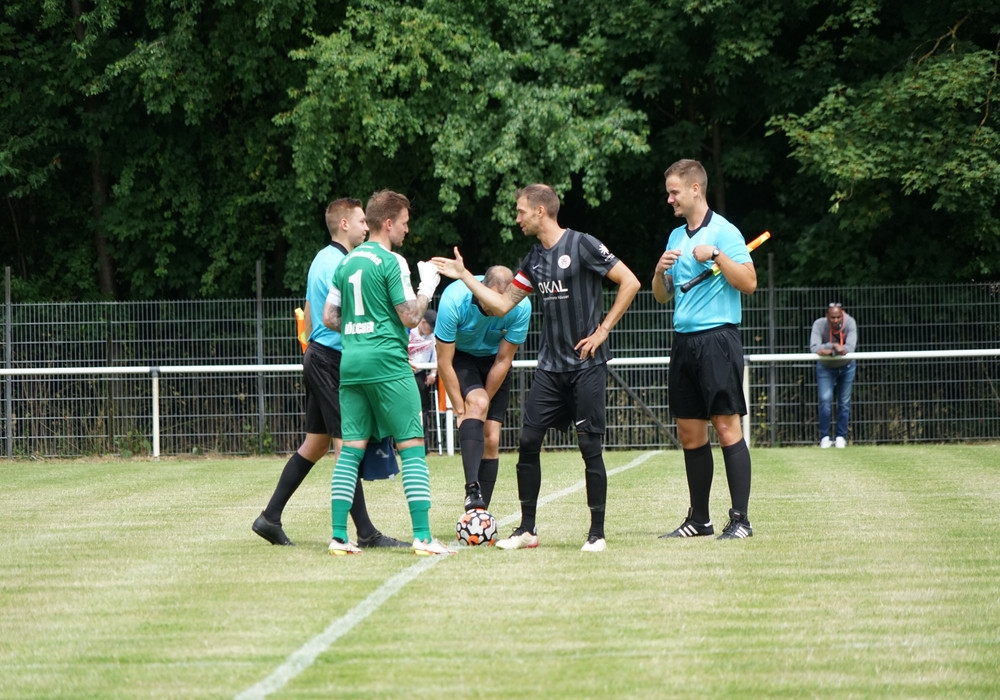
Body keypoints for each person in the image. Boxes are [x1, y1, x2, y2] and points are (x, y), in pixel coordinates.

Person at [433, 183, 640, 552]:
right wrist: (465, 276)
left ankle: (596, 533)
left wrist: (602, 331)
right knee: (528, 442)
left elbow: (630, 281)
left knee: (589, 446)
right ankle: (527, 529)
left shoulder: (583, 244)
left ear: (540, 211)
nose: (518, 218)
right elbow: (501, 305)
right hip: (550, 368)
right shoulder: (533, 259)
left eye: (521, 211)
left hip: (586, 365)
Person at [252, 198, 408, 549]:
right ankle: (366, 533)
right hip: (331, 361)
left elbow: (310, 314)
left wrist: (313, 355)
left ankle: (269, 518)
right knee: (347, 446)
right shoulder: (343, 263)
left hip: (319, 356)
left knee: (316, 444)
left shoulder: (322, 260)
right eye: (361, 221)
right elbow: (353, 316)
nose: (366, 227)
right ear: (344, 225)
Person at [323, 189, 454, 556]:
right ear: (389, 223)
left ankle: (338, 537)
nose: (407, 230)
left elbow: (329, 318)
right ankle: (423, 537)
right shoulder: (392, 261)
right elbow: (411, 317)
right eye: (405, 223)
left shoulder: (346, 262)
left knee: (350, 450)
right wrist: (427, 287)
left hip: (352, 364)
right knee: (411, 445)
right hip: (387, 363)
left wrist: (361, 327)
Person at [651, 158, 757, 540]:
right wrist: (658, 271)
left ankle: (741, 520)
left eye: (674, 192)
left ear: (695, 189)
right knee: (690, 433)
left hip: (717, 341)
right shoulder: (675, 237)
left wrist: (716, 255)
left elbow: (749, 282)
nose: (670, 199)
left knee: (726, 427)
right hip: (684, 343)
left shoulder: (725, 232)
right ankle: (700, 520)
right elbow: (662, 295)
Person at [434, 266, 532, 512]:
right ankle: (471, 490)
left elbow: (503, 360)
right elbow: (444, 361)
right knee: (477, 403)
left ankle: (479, 513)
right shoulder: (454, 299)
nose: (498, 309)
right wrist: (460, 410)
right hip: (462, 357)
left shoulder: (521, 305)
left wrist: (483, 404)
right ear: (481, 290)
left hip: (494, 361)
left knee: (492, 437)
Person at [810, 302, 858, 448]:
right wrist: (832, 347)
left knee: (844, 402)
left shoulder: (850, 322)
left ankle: (841, 437)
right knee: (825, 400)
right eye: (832, 317)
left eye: (838, 317)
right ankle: (824, 437)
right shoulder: (819, 324)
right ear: (827, 316)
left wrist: (829, 350)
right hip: (825, 367)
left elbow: (850, 348)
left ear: (842, 315)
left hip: (847, 366)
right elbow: (814, 348)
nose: (835, 320)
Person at [408, 309, 438, 446]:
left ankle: (424, 444)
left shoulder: (432, 337)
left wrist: (433, 373)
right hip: (406, 374)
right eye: (430, 328)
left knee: (423, 409)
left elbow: (436, 355)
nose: (430, 332)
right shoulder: (409, 331)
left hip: (421, 375)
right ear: (423, 322)